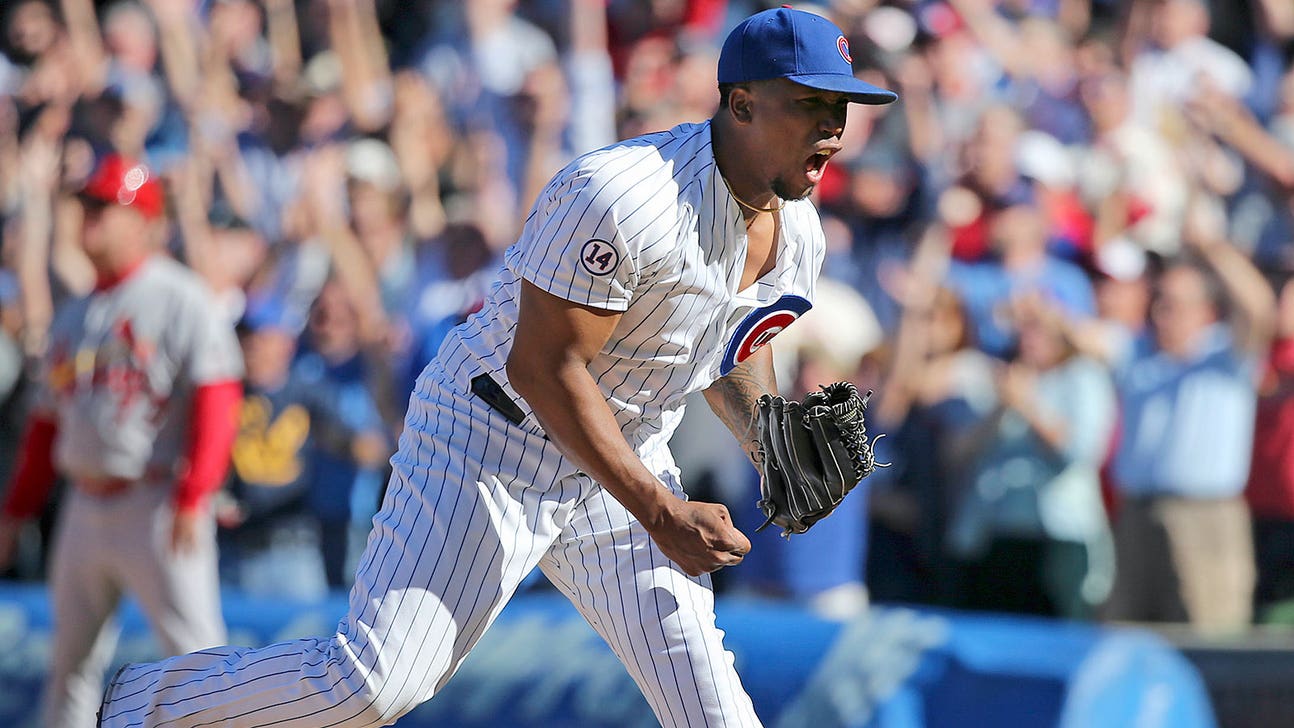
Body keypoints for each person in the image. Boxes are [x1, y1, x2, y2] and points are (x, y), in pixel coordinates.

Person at [96, 7, 897, 726]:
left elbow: (731, 343)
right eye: (811, 104)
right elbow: (546, 371)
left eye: (842, 108)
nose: (834, 128)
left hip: (625, 459)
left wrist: (767, 438)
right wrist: (658, 513)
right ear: (742, 102)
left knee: (714, 712)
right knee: (373, 685)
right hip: (492, 440)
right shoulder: (623, 194)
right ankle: (146, 705)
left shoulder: (799, 232)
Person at [0, 153, 242, 728]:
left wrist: (194, 495)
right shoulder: (76, 314)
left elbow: (218, 400)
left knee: (199, 660)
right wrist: (14, 513)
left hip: (156, 502)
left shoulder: (180, 297)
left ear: (145, 221)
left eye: (106, 207)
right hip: (83, 507)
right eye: (87, 205)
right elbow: (45, 427)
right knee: (71, 665)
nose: (91, 218)